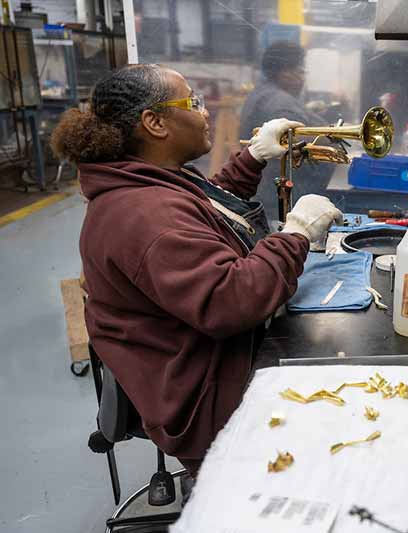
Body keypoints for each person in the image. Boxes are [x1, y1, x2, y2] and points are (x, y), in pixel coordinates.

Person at [51, 64, 342, 477]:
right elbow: (233, 300)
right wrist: (296, 234)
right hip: (207, 397)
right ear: (154, 123)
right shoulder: (145, 214)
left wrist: (252, 159)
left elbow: (202, 213)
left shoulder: (145, 182)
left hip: (199, 362)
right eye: (194, 102)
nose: (206, 112)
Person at [239, 41, 335, 221]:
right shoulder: (280, 105)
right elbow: (304, 144)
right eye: (300, 71)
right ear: (285, 73)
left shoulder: (263, 93)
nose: (302, 78)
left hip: (267, 193)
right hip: (280, 201)